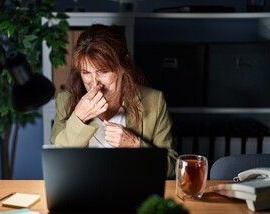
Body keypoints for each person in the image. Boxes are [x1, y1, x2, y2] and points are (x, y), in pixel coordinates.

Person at [50, 24, 178, 178]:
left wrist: (136, 146)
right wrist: (78, 118)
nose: (94, 82)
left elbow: (173, 169)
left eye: (103, 71)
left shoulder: (154, 101)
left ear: (123, 65)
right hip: (82, 193)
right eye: (86, 72)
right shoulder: (66, 101)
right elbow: (57, 165)